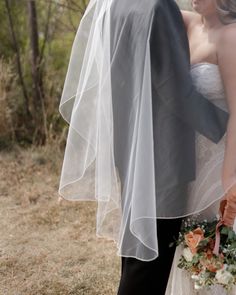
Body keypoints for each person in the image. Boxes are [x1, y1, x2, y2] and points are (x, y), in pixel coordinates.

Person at [58, 0, 229, 294]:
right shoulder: (159, 7)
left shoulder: (118, 4)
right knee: (148, 270)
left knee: (137, 251)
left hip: (130, 146)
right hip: (164, 158)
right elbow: (175, 89)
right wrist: (224, 126)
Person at [165, 1, 236, 294]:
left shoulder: (231, 36)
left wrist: (230, 182)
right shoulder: (188, 23)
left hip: (220, 167)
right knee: (189, 250)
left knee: (217, 251)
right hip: (187, 167)